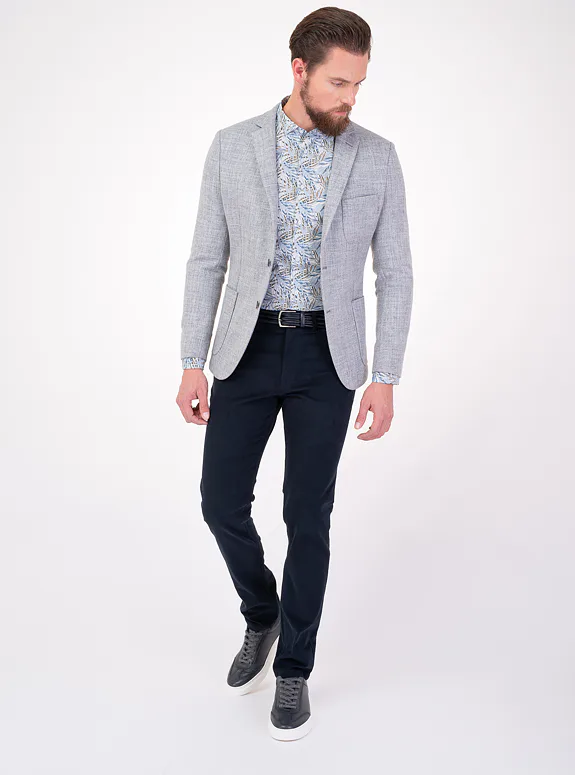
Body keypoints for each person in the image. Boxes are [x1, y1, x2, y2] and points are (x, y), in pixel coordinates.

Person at [175, 7, 413, 741]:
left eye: (359, 84)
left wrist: (385, 374)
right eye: (339, 82)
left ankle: (294, 668)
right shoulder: (233, 146)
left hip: (327, 357)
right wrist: (191, 361)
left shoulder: (377, 156)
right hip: (243, 350)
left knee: (307, 515)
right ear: (299, 70)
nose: (351, 98)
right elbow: (206, 260)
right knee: (220, 502)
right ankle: (262, 612)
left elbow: (396, 272)